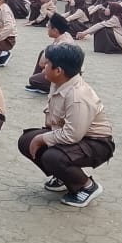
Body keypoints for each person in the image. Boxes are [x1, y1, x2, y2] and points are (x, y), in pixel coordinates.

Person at [17, 43, 115, 208]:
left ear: (58, 70)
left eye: (47, 64)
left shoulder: (77, 95)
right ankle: (63, 176)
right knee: (26, 141)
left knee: (52, 156)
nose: (43, 68)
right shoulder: (59, 82)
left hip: (96, 143)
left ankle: (87, 186)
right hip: (75, 135)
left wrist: (42, 138)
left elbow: (72, 135)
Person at [25, 13, 74, 95]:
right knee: (43, 54)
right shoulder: (65, 35)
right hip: (67, 72)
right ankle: (40, 79)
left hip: (64, 76)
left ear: (55, 31)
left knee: (33, 80)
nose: (47, 29)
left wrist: (45, 71)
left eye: (48, 27)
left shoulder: (61, 44)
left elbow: (42, 63)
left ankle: (49, 87)